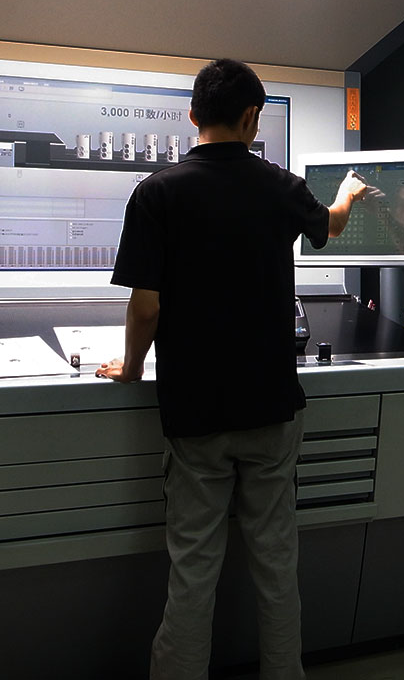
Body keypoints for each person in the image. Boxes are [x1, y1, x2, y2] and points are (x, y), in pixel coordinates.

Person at [96, 58, 368, 680]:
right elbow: (329, 225)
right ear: (252, 118)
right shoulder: (281, 186)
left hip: (196, 416)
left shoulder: (157, 192)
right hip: (271, 409)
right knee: (276, 564)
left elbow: (146, 305)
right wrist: (348, 195)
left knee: (193, 570)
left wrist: (133, 367)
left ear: (193, 114)